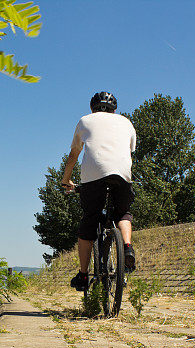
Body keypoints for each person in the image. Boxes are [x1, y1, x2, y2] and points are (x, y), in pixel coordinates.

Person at [60, 91, 137, 291]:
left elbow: (74, 154)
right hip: (122, 175)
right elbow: (128, 153)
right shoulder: (126, 122)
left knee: (89, 220)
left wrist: (66, 179)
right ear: (114, 110)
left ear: (92, 108)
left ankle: (84, 275)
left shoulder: (85, 121)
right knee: (123, 213)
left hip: (93, 178)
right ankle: (127, 247)